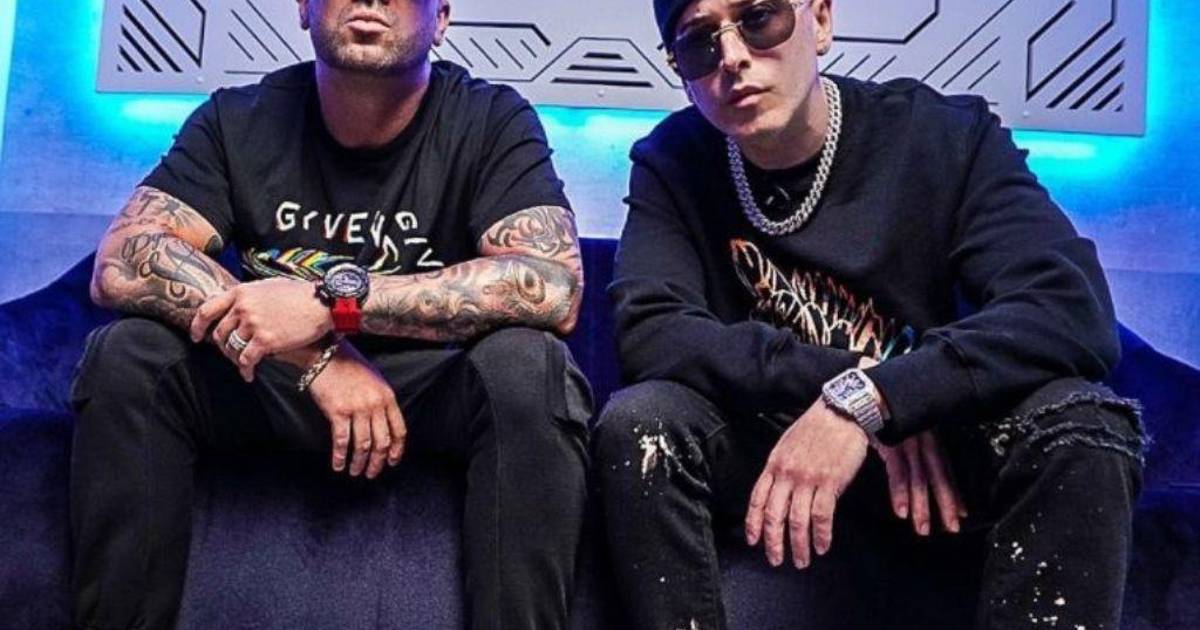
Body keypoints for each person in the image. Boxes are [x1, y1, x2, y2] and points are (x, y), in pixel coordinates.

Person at [593, 0, 1144, 628]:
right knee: (642, 421)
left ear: (820, 20)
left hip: (940, 454)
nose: (734, 58)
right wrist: (849, 386)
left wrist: (886, 396)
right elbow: (651, 331)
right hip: (770, 449)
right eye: (700, 42)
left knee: (1081, 420)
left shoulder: (942, 137)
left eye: (760, 18)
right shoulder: (673, 160)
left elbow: (1068, 306)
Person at [70, 1, 592, 628]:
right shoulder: (239, 118)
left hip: (424, 389)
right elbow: (122, 259)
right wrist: (316, 358)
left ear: (441, 18)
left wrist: (335, 307)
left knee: (530, 367)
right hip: (270, 377)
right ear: (302, 8)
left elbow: (552, 286)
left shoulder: (490, 119)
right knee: (130, 352)